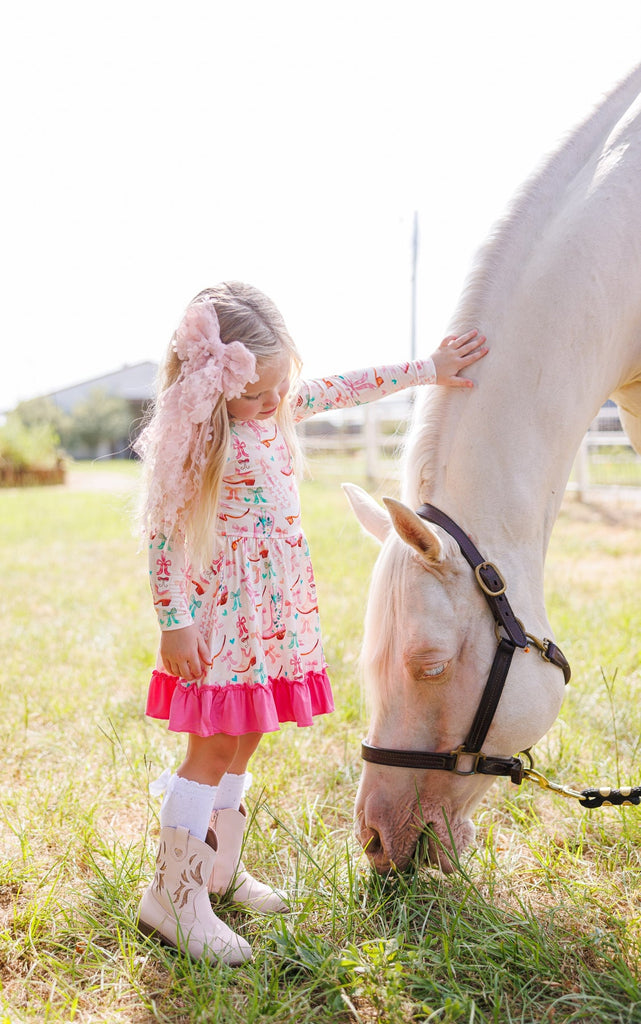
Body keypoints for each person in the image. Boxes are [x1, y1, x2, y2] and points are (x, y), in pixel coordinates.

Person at [134, 282, 487, 964]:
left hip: (273, 611)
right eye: (253, 393)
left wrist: (428, 369)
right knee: (212, 747)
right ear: (211, 386)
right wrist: (174, 622)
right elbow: (164, 532)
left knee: (245, 740)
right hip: (223, 618)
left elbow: (349, 387)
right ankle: (171, 897)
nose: (271, 401)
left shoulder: (277, 409)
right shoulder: (199, 435)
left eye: (279, 386)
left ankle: (218, 869)